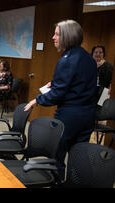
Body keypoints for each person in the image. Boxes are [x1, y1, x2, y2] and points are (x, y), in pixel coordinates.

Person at [24, 20, 97, 181]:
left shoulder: (66, 59)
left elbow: (57, 94)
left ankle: (57, 183)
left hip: (69, 116)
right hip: (88, 115)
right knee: (78, 156)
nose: (53, 37)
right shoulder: (89, 58)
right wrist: (57, 84)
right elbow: (80, 84)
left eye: (57, 34)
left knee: (57, 156)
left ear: (67, 36)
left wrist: (37, 100)